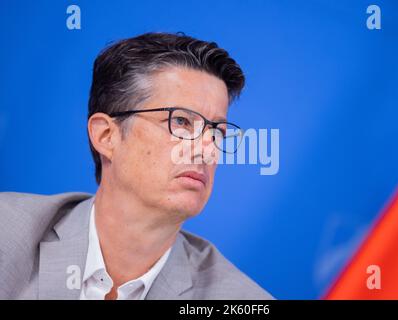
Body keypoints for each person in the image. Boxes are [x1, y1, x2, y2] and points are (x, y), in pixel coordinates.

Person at [0, 32, 273, 300]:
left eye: (216, 132)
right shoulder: (8, 233)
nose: (207, 150)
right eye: (181, 122)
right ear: (106, 136)